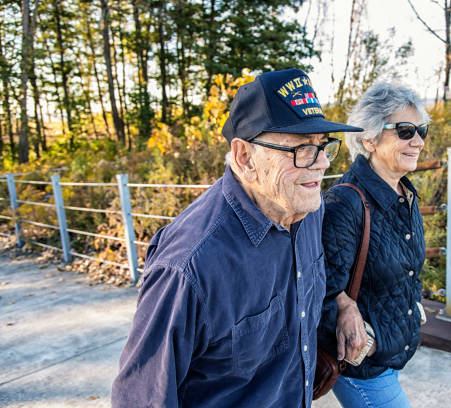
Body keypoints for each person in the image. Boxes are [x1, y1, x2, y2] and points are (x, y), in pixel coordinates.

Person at [111, 68, 362, 408]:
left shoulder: (308, 208)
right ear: (245, 157)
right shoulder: (189, 267)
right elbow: (142, 399)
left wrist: (344, 305)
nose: (320, 164)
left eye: (323, 146)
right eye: (302, 148)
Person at [317, 82, 429, 407]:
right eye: (405, 131)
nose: (418, 141)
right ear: (369, 138)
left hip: (393, 354)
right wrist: (356, 324)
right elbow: (318, 286)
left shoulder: (404, 195)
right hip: (363, 369)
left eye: (421, 130)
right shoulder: (345, 203)